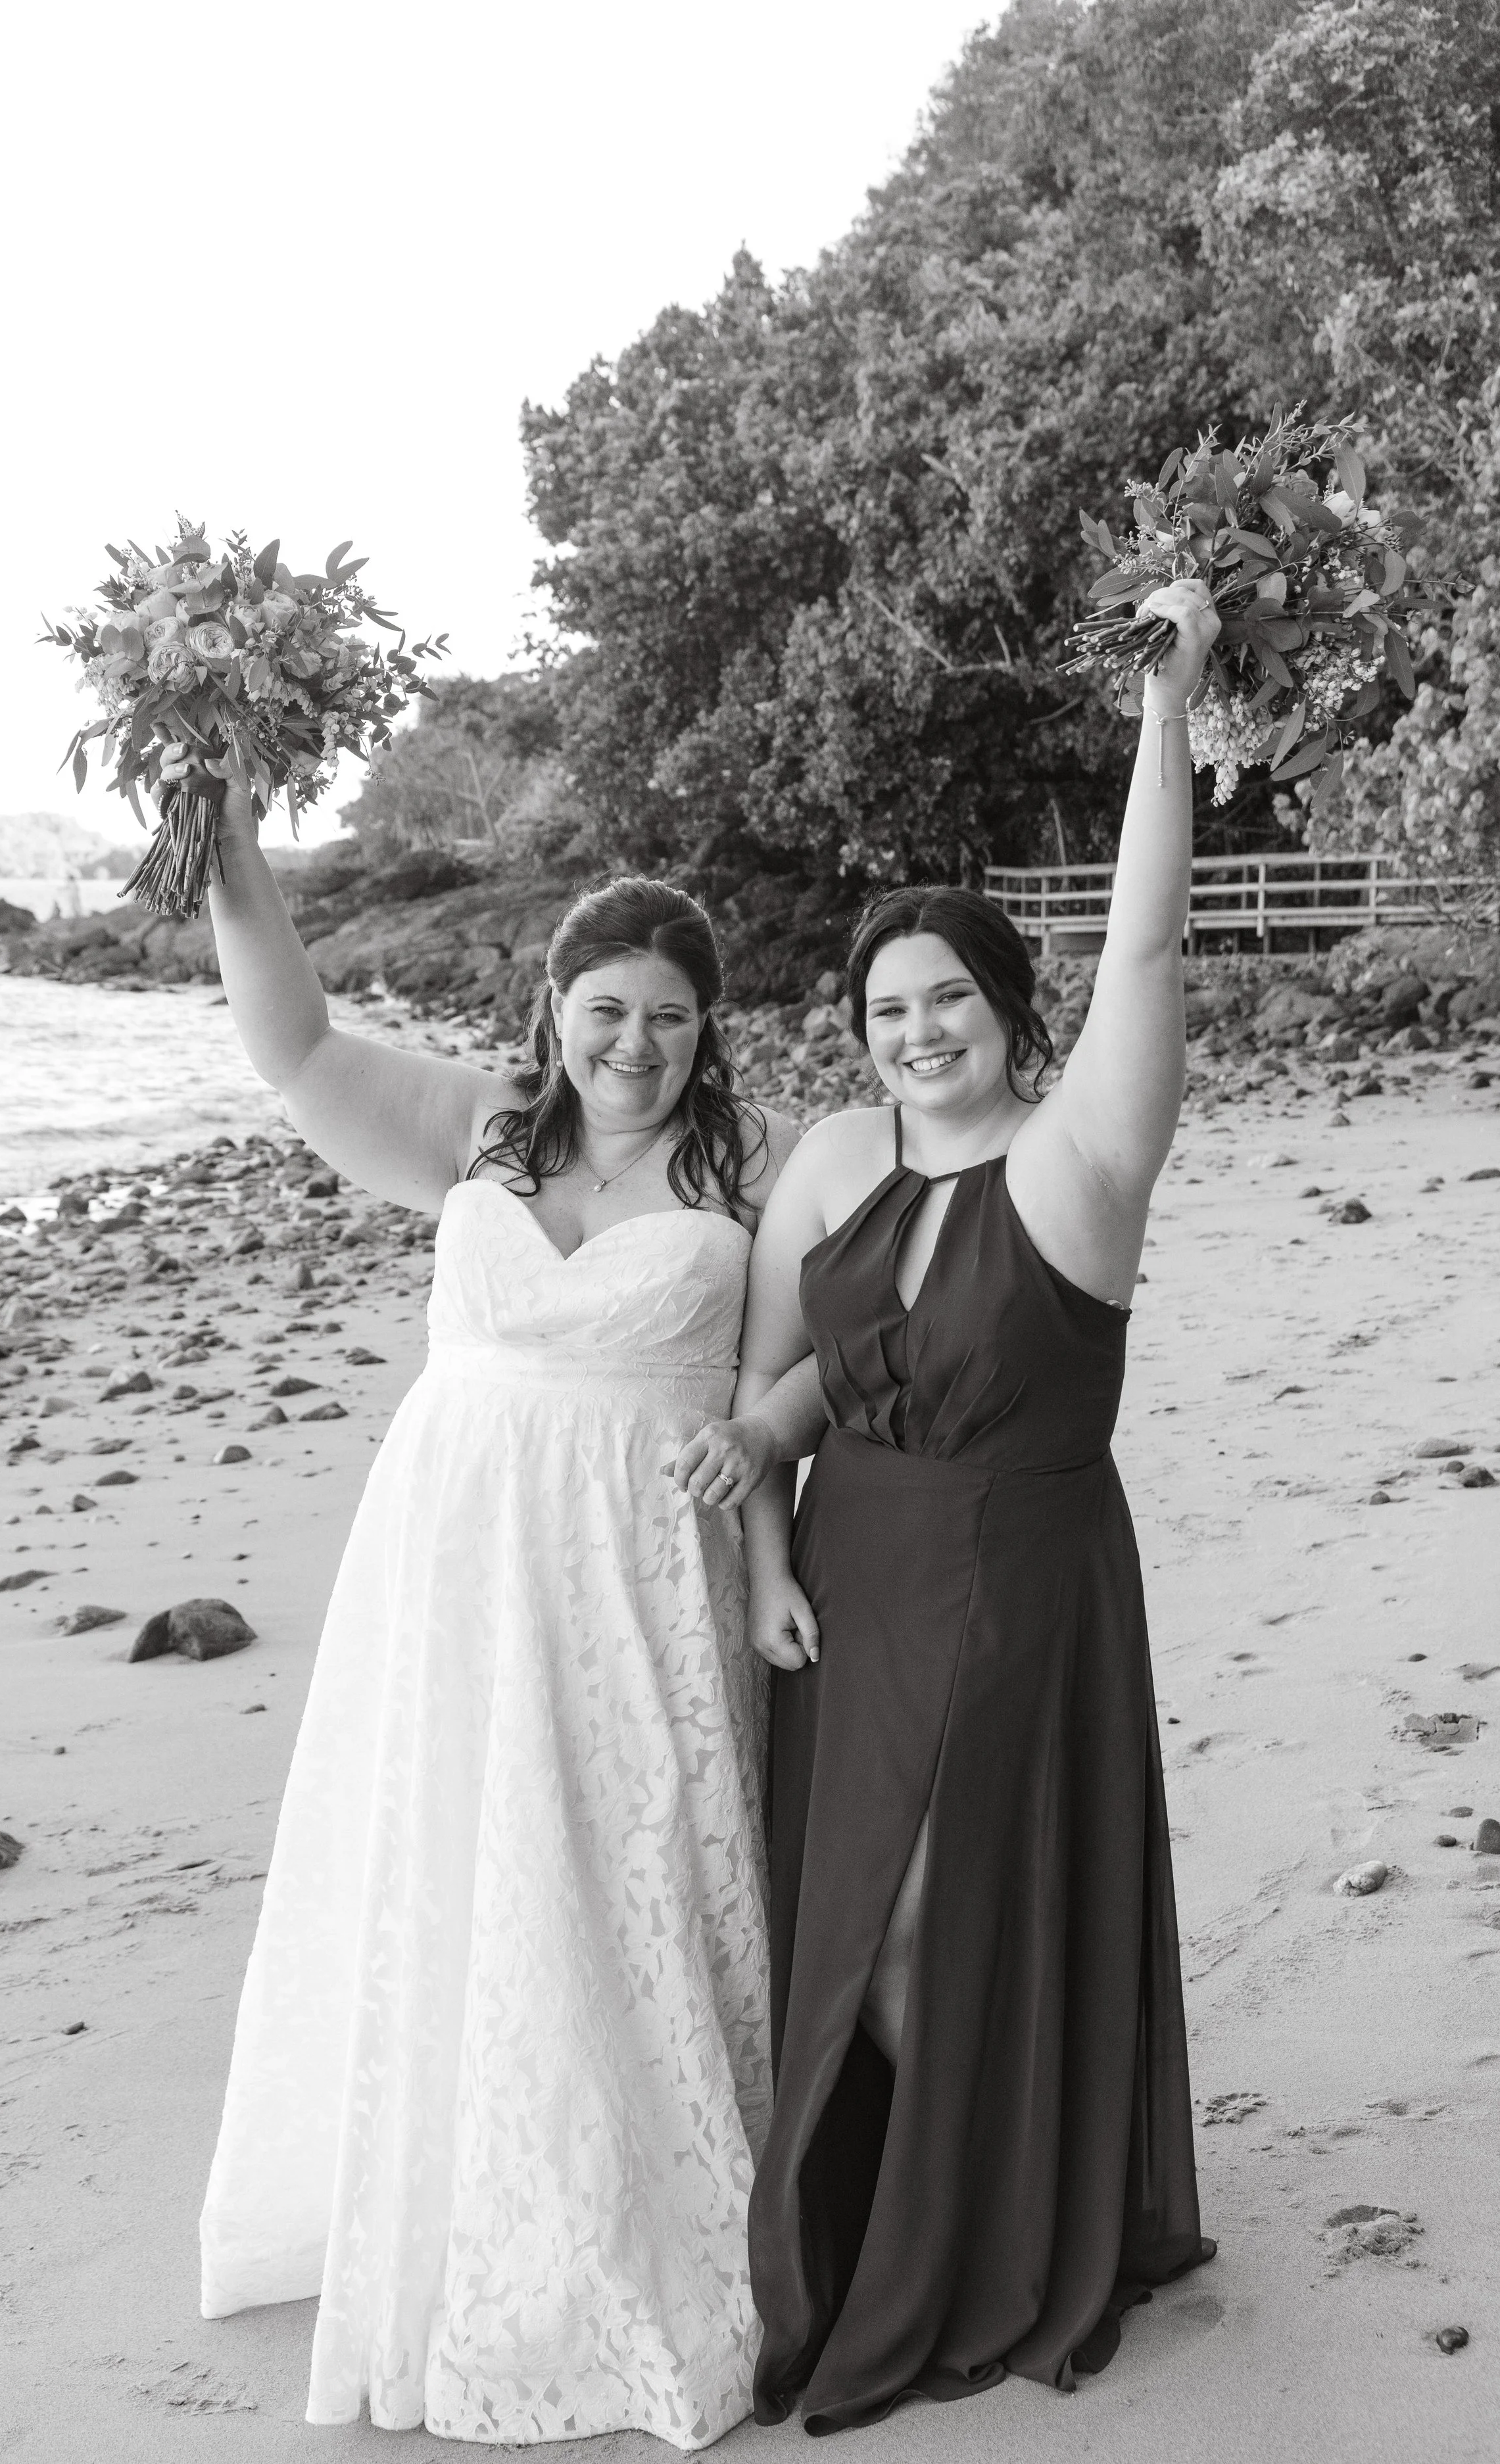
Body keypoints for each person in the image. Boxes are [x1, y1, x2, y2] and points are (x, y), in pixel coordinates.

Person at [673, 579, 1220, 2430]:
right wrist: (756, 1534)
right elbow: (782, 1388)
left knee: (929, 1921)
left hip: (1014, 1577)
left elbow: (1145, 954)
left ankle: (978, 2232)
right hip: (844, 1577)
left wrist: (1169, 707)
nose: (915, 1032)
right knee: (853, 1928)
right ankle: (932, 2189)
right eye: (883, 1006)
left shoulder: (1081, 1159)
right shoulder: (831, 1155)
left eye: (949, 1003)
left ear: (1009, 1010)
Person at [197, 783, 799, 2447]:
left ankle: (637, 2231)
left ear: (706, 1035)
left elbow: (789, 1380)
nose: (634, 1044)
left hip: (631, 1583)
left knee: (620, 1879)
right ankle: (464, 2205)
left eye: (671, 1019)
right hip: (453, 1570)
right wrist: (233, 844)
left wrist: (767, 1549)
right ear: (551, 1008)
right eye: (605, 1010)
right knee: (472, 1869)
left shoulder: (746, 1187)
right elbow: (297, 1049)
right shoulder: (477, 1134)